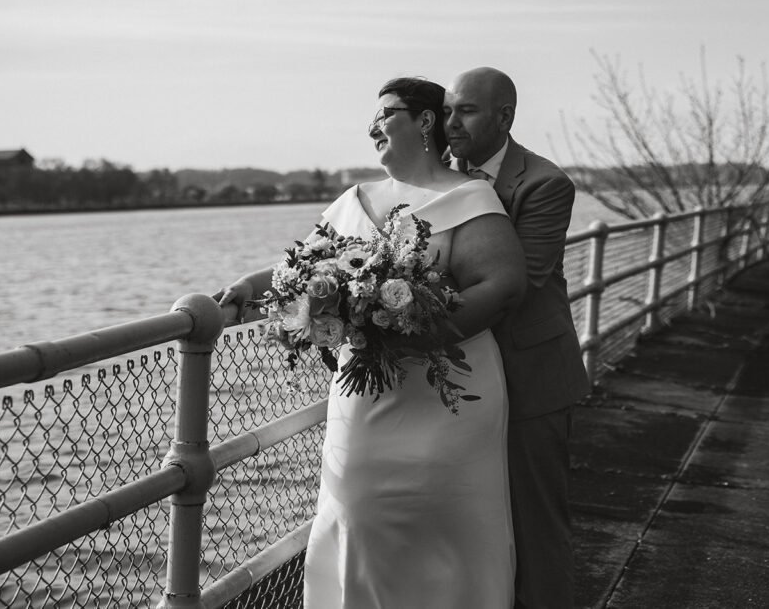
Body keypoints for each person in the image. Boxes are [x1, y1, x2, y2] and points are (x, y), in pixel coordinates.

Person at [216, 77, 527, 609]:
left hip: (447, 397)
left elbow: (503, 285)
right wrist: (248, 287)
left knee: (444, 521)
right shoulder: (350, 203)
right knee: (356, 510)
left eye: (383, 115)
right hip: (363, 401)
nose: (371, 128)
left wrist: (424, 332)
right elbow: (300, 272)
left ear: (424, 120)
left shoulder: (469, 199)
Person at [443, 67, 591, 609]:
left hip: (530, 375)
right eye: (448, 109)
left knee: (536, 522)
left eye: (466, 110)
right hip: (457, 378)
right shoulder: (435, 176)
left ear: (504, 116)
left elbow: (520, 282)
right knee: (471, 517)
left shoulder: (544, 183)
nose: (450, 122)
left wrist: (411, 308)